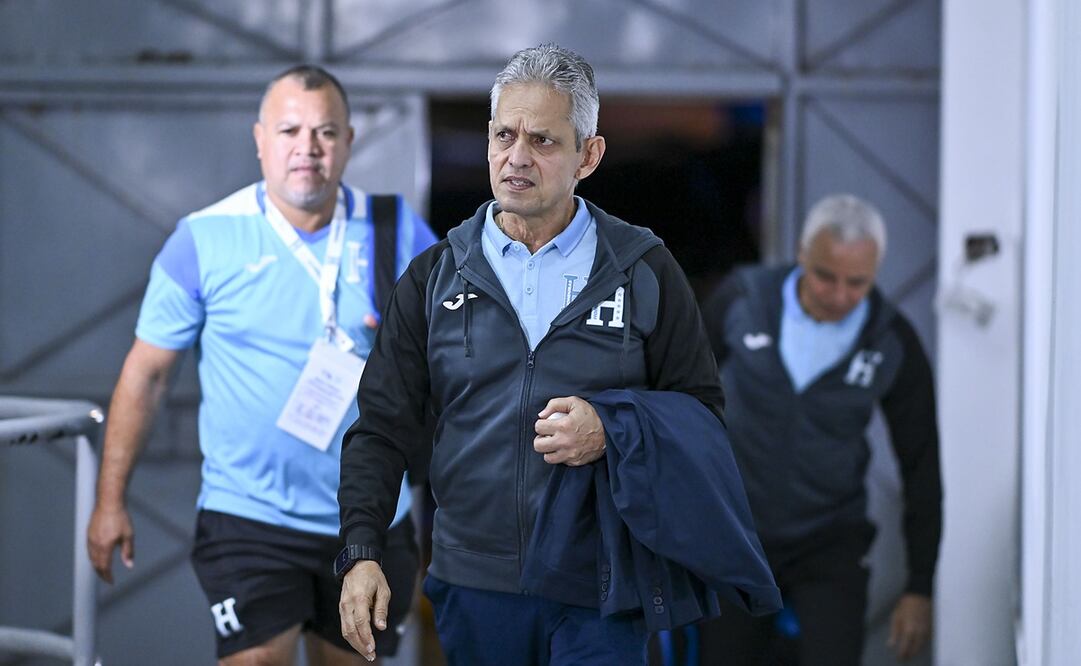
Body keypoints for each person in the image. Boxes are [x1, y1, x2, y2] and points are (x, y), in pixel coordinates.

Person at [334, 44, 778, 666]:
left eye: (542, 141)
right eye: (504, 135)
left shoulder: (642, 269)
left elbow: (702, 413)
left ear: (587, 156)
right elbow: (381, 428)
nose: (516, 158)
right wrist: (361, 551)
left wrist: (612, 427)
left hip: (600, 590)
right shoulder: (435, 275)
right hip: (474, 587)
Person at [86, 65, 437, 665]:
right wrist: (110, 499)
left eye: (326, 132)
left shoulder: (395, 229)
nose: (308, 147)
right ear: (259, 139)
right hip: (248, 516)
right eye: (289, 130)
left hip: (369, 519)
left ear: (349, 141)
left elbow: (455, 357)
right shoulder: (202, 240)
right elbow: (145, 377)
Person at [700, 194, 943, 664]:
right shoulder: (742, 300)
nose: (839, 295)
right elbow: (679, 402)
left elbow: (922, 465)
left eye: (858, 283)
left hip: (831, 539)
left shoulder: (893, 341)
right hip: (737, 535)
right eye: (826, 276)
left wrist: (919, 587)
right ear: (801, 254)